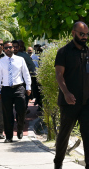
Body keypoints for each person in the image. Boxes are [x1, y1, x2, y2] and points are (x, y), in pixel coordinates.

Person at [54, 21, 89, 169]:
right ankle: (58, 163)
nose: (85, 37)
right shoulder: (64, 52)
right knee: (64, 135)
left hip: (86, 102)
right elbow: (59, 75)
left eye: (87, 34)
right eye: (82, 34)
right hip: (69, 102)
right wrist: (66, 93)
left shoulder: (88, 52)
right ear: (73, 33)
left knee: (88, 135)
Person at [0, 41, 31, 143]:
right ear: (4, 49)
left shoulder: (20, 60)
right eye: (5, 48)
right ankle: (9, 136)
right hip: (6, 89)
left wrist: (28, 87)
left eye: (10, 47)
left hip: (19, 88)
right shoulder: (1, 62)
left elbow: (26, 73)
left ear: (14, 48)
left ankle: (20, 128)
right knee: (7, 114)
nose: (8, 49)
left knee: (21, 111)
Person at [12, 40, 35, 114]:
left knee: (23, 100)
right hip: (11, 82)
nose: (20, 48)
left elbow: (32, 66)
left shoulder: (24, 56)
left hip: (23, 81)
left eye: (20, 46)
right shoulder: (7, 56)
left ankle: (22, 114)